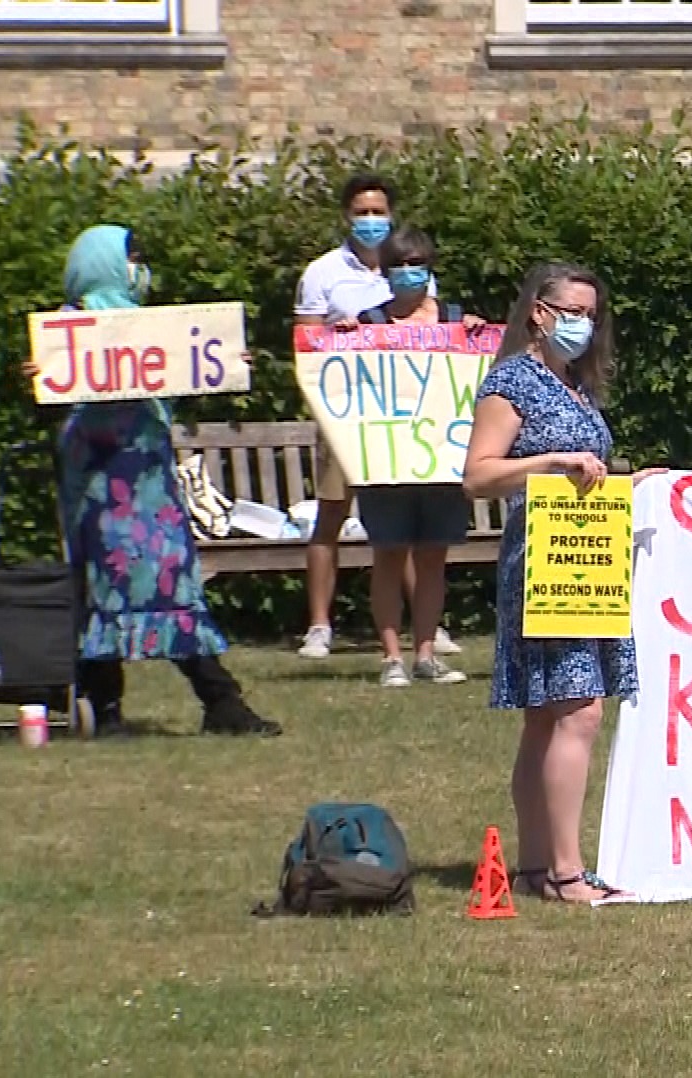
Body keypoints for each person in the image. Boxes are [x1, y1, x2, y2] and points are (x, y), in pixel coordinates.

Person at [465, 262, 663, 903]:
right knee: (579, 711)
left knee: (549, 719)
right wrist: (552, 461)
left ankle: (535, 868)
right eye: (572, 311)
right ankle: (568, 874)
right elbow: (478, 475)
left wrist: (636, 485)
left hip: (584, 554)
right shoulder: (512, 382)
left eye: (591, 313)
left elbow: (586, 479)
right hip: (545, 561)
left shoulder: (576, 385)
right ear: (538, 313)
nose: (583, 323)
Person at [43, 225, 281, 738]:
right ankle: (109, 709)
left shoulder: (149, 327)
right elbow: (60, 388)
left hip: (149, 480)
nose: (140, 269)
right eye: (130, 259)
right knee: (103, 585)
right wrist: (39, 372)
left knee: (169, 579)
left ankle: (220, 702)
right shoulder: (70, 328)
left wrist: (224, 364)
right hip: (99, 483)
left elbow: (186, 370)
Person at [290, 172, 461, 662]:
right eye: (361, 212)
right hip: (352, 417)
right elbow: (309, 345)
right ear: (346, 215)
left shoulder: (420, 272)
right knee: (333, 514)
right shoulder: (322, 272)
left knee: (408, 533)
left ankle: (426, 630)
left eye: (378, 211)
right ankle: (320, 625)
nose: (371, 221)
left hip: (415, 428)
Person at [344, 226, 479, 688]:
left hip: (442, 458)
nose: (408, 272)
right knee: (387, 556)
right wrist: (337, 339)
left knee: (432, 560)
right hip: (386, 461)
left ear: (430, 266)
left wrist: (475, 336)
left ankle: (425, 653)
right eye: (399, 264)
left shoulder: (455, 319)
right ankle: (391, 658)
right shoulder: (368, 322)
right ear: (385, 271)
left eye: (416, 263)